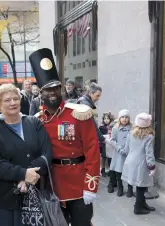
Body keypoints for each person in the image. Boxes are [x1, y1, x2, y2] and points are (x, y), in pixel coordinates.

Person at [29, 48, 100, 226]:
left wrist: (90, 186)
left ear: (62, 89)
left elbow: (92, 150)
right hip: (51, 186)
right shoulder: (37, 121)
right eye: (47, 89)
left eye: (56, 88)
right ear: (40, 93)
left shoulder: (79, 114)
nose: (52, 92)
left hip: (78, 184)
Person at [0, 83, 52, 226]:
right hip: (5, 197)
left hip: (36, 192)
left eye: (15, 98)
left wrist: (27, 178)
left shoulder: (34, 122)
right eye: (7, 100)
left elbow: (46, 154)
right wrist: (22, 173)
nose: (13, 103)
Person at [121, 113, 156, 215]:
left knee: (140, 184)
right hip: (142, 164)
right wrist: (152, 167)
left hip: (131, 162)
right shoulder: (149, 137)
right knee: (141, 185)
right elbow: (149, 154)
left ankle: (142, 203)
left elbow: (126, 149)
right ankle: (138, 207)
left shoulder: (130, 134)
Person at [107, 109, 132, 197]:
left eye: (126, 117)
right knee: (119, 171)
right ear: (119, 118)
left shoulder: (132, 129)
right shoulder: (115, 128)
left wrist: (129, 149)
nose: (124, 119)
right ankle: (120, 187)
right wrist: (119, 149)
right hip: (119, 153)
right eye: (122, 117)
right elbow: (112, 140)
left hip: (129, 153)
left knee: (130, 170)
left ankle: (130, 188)